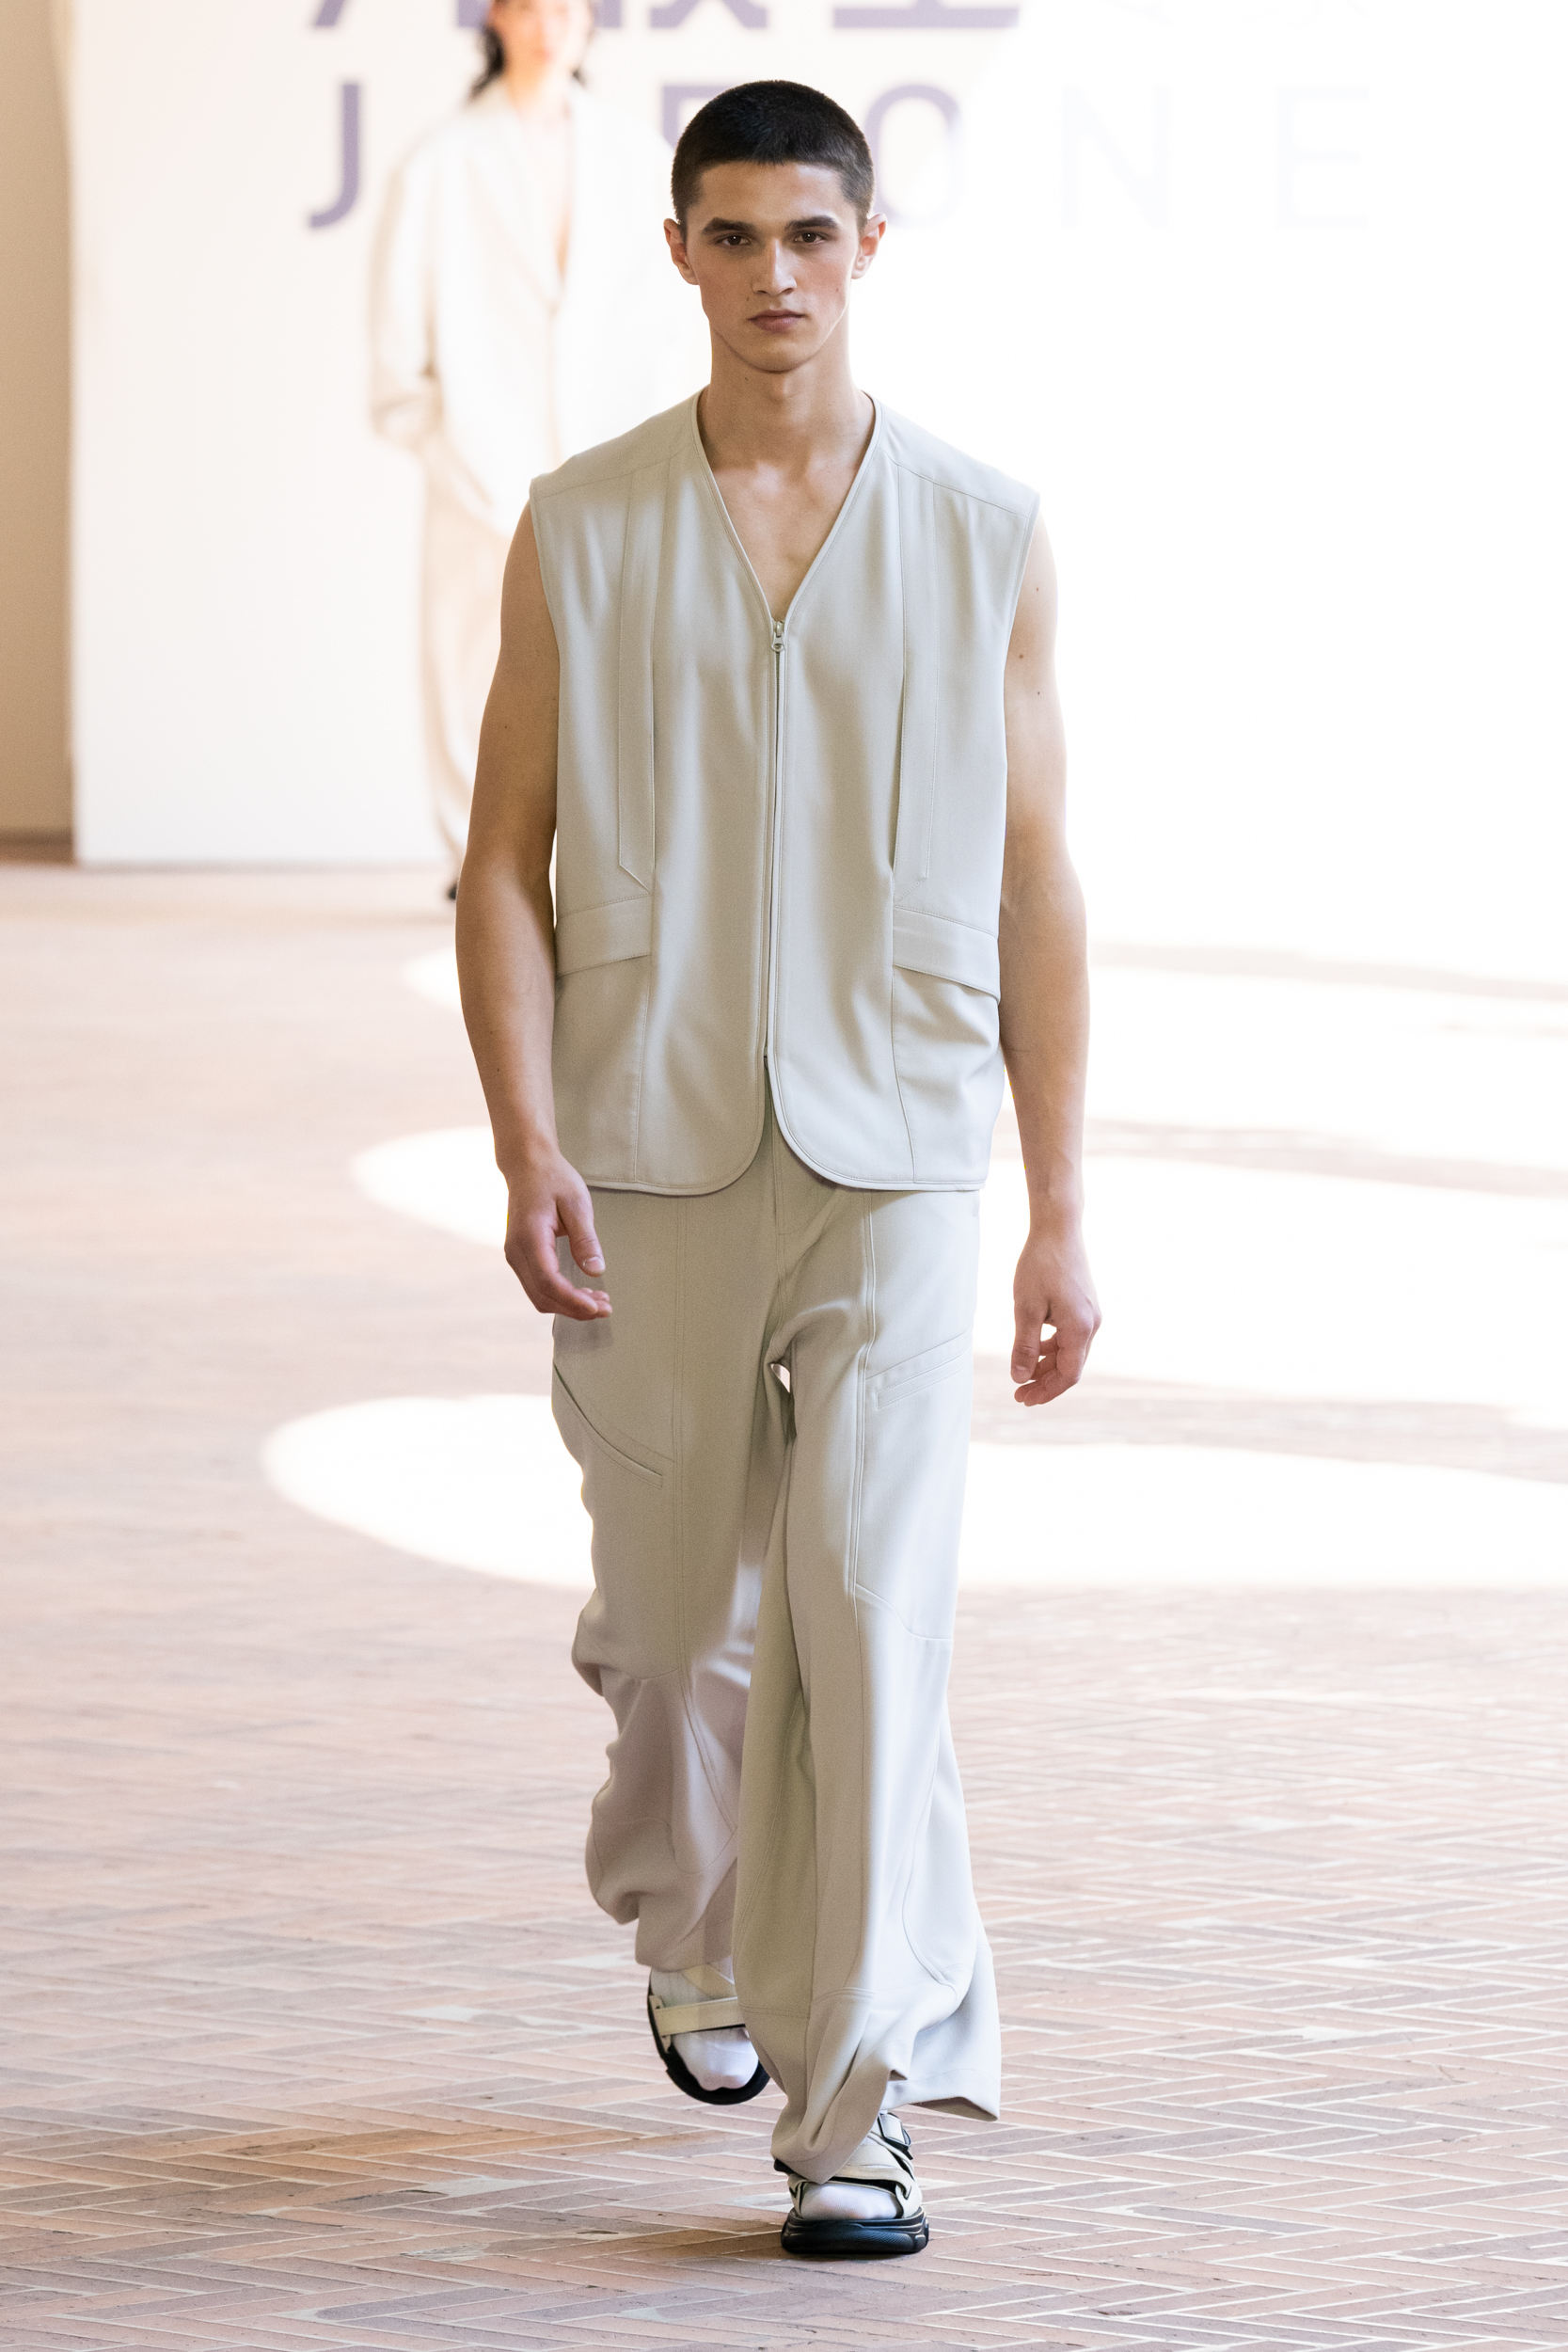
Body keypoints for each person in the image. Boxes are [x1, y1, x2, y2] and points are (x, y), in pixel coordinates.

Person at [456, 80, 1100, 2261]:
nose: (771, 276)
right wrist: (527, 1135)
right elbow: (501, 864)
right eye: (729, 236)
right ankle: (695, 1924)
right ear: (677, 254)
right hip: (646, 1159)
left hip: (898, 1158)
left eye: (807, 235)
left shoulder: (983, 533)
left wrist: (1057, 1202)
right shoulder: (580, 526)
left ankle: (857, 2110)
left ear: (866, 249)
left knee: (868, 1622)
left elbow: (1035, 881)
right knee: (672, 1641)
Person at [370, 0, 703, 890]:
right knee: (472, 658)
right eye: (528, 5)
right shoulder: (438, 164)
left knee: (621, 658)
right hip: (478, 468)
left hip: (612, 459)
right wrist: (450, 447)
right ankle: (475, 858)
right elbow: (398, 352)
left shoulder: (637, 160)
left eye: (566, 6)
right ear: (495, 18)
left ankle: (607, 860)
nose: (549, 24)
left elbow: (668, 326)